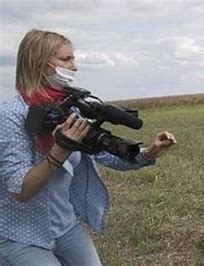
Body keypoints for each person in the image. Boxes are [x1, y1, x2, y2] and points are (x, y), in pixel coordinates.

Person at [0, 29, 176, 266]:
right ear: (39, 63)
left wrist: (149, 153)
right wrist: (60, 150)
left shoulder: (69, 110)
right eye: (66, 59)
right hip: (20, 233)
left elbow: (103, 152)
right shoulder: (10, 115)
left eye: (73, 58)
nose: (74, 66)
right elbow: (20, 190)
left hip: (64, 225)